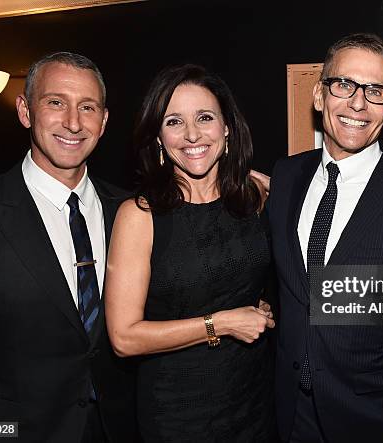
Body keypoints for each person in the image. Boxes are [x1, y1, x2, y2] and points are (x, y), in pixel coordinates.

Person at [267, 33, 383, 443]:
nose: (358, 103)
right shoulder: (284, 178)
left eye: (376, 91)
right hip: (287, 415)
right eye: (344, 85)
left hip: (369, 423)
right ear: (319, 95)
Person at [0, 52, 138, 443]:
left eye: (87, 107)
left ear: (103, 122)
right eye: (55, 103)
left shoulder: (129, 212)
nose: (73, 122)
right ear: (25, 111)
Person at [104, 64, 276, 442]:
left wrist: (263, 307)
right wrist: (222, 323)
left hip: (255, 402)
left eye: (204, 117)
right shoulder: (139, 215)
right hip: (179, 413)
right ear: (158, 137)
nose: (192, 134)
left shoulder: (254, 198)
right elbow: (123, 337)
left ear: (226, 127)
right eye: (174, 122)